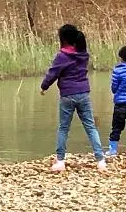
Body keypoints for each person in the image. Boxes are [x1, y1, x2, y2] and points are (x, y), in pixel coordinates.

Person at [40, 24, 107, 172]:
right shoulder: (83, 54)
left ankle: (60, 161)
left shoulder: (62, 56)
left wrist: (44, 86)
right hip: (83, 93)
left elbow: (53, 73)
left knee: (64, 128)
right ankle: (101, 160)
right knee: (90, 127)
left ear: (63, 38)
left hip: (67, 95)